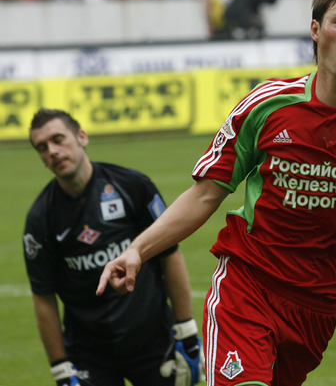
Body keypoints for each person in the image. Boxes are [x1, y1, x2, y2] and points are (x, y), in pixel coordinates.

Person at [97, 0, 336, 386]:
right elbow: (204, 195)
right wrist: (137, 250)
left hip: (316, 307)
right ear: (315, 30)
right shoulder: (268, 104)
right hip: (246, 285)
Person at [23, 108, 203, 386]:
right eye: (42, 148)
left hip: (153, 340)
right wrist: (60, 368)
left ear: (82, 137)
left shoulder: (132, 186)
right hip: (88, 353)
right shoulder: (41, 218)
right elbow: (43, 295)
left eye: (58, 140)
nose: (53, 152)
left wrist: (186, 330)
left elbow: (170, 254)